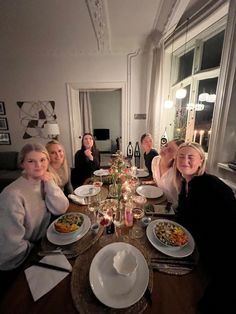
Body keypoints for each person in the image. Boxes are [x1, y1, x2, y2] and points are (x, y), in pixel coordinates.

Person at [173, 142, 236, 314]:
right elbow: (186, 217)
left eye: (190, 157)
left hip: (224, 253)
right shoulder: (186, 183)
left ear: (201, 161)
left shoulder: (209, 185)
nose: (185, 160)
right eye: (181, 156)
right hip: (203, 250)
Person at [0, 143, 69, 293]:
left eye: (43, 160)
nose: (38, 165)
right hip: (18, 262)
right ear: (22, 163)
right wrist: (36, 251)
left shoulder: (44, 181)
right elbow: (10, 248)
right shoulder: (12, 194)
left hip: (43, 242)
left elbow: (61, 208)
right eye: (31, 161)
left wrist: (50, 182)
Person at [151, 139, 184, 208]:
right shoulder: (155, 160)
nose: (165, 149)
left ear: (176, 156)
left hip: (173, 210)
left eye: (170, 150)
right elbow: (155, 182)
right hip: (157, 203)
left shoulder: (178, 171)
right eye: (166, 145)